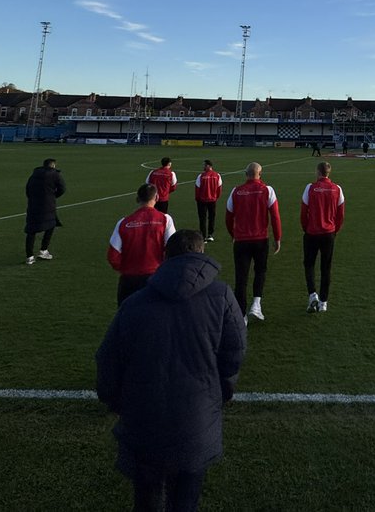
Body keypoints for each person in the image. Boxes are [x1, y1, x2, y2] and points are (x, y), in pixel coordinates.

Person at [96, 229, 247, 512]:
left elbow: (108, 360)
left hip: (145, 420)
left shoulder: (134, 304)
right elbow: (235, 352)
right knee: (185, 501)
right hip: (197, 418)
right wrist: (222, 391)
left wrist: (115, 401)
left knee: (147, 500)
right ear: (201, 254)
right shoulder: (222, 295)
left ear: (165, 256)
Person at [224, 162, 282, 322]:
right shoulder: (267, 190)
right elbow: (275, 216)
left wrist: (233, 233)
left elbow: (228, 216)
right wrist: (277, 238)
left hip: (241, 240)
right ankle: (256, 304)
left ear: (246, 174)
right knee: (260, 271)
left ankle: (241, 315)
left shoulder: (236, 191)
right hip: (260, 239)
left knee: (241, 277)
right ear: (260, 174)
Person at [108, 183, 176, 306]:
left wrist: (127, 268)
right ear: (156, 198)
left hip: (129, 280)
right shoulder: (165, 219)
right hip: (155, 277)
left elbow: (113, 255)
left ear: (138, 199)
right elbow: (173, 249)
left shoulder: (123, 222)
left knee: (127, 319)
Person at [301, 160, 345, 313]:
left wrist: (306, 228)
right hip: (328, 234)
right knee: (326, 267)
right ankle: (323, 302)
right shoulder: (337, 189)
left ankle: (313, 294)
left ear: (318, 172)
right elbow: (340, 214)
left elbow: (303, 212)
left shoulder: (310, 188)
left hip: (312, 233)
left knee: (309, 264)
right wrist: (334, 231)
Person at [24, 158, 66, 265]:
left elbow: (27, 189)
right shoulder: (55, 174)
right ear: (52, 165)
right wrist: (53, 196)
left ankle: (29, 256)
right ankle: (43, 250)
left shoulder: (34, 174)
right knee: (51, 225)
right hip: (48, 205)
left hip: (33, 205)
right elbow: (62, 188)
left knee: (31, 230)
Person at [194, 160, 223, 244]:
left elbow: (197, 188)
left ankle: (203, 236)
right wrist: (215, 197)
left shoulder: (201, 176)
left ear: (208, 166)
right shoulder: (217, 175)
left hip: (202, 200)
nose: (203, 167)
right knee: (212, 217)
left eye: (204, 165)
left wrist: (197, 198)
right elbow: (219, 188)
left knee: (202, 218)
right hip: (212, 200)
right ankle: (210, 235)